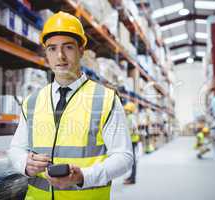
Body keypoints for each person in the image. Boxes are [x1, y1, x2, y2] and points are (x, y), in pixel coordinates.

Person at [8, 11, 133, 200]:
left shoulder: (105, 99)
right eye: (52, 48)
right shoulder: (32, 102)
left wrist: (83, 176)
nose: (60, 56)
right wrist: (24, 163)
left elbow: (123, 157)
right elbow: (16, 149)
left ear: (81, 50)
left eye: (68, 47)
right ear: (46, 53)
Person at [123, 102, 140, 185]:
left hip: (132, 141)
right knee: (131, 160)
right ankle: (131, 177)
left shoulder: (130, 117)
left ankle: (132, 179)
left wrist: (127, 135)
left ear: (129, 110)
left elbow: (134, 128)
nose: (125, 111)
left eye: (126, 110)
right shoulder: (130, 117)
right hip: (132, 141)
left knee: (132, 161)